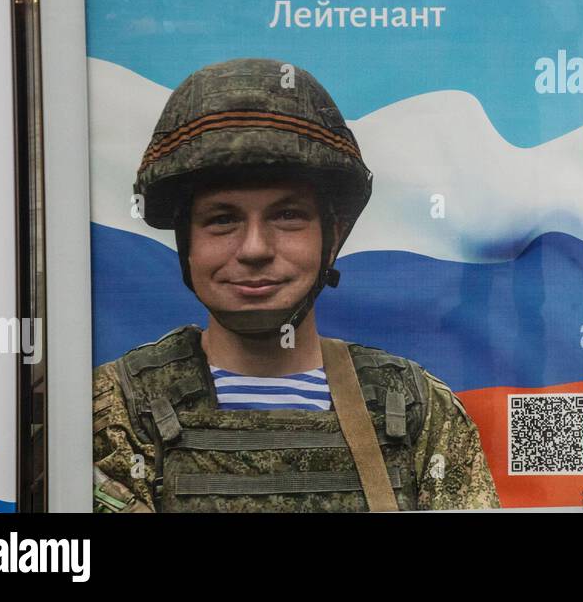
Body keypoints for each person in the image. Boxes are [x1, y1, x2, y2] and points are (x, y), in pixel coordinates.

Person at [92, 57, 500, 512]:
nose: (254, 248)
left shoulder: (414, 409)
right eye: (222, 220)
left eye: (287, 216)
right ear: (187, 244)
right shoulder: (117, 412)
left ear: (332, 239)